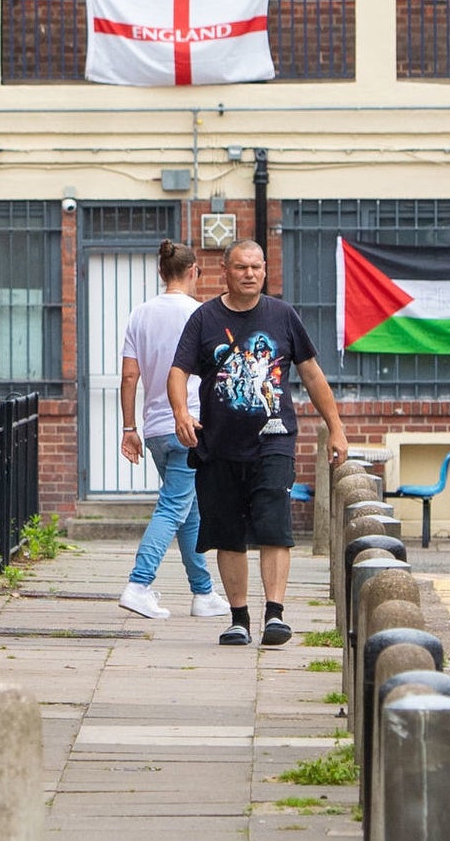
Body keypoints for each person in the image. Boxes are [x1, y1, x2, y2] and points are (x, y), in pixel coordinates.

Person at [169, 238, 346, 648]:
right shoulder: (204, 319)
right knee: (227, 533)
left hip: (274, 442)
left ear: (265, 270)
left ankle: (275, 615)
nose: (250, 274)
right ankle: (238, 618)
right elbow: (177, 371)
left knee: (274, 527)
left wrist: (335, 427)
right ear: (225, 272)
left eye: (256, 267)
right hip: (218, 445)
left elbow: (313, 376)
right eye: (241, 267)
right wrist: (180, 412)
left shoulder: (283, 316)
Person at [115, 238, 226, 620]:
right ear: (194, 271)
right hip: (190, 424)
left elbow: (130, 375)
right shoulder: (203, 314)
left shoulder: (140, 315)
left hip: (155, 428)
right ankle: (139, 584)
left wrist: (129, 427)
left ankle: (204, 592)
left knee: (188, 511)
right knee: (173, 507)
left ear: (162, 273)